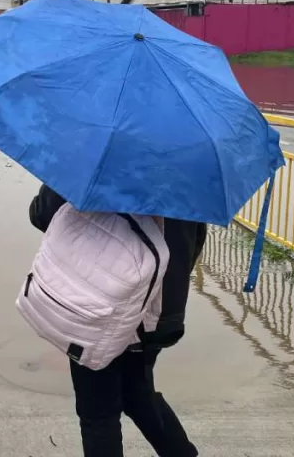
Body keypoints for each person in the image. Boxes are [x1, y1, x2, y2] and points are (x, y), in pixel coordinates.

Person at [29, 184, 207, 457]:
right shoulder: (187, 165)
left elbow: (42, 214)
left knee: (98, 414)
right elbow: (194, 241)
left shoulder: (96, 152)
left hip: (97, 307)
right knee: (138, 392)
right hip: (156, 313)